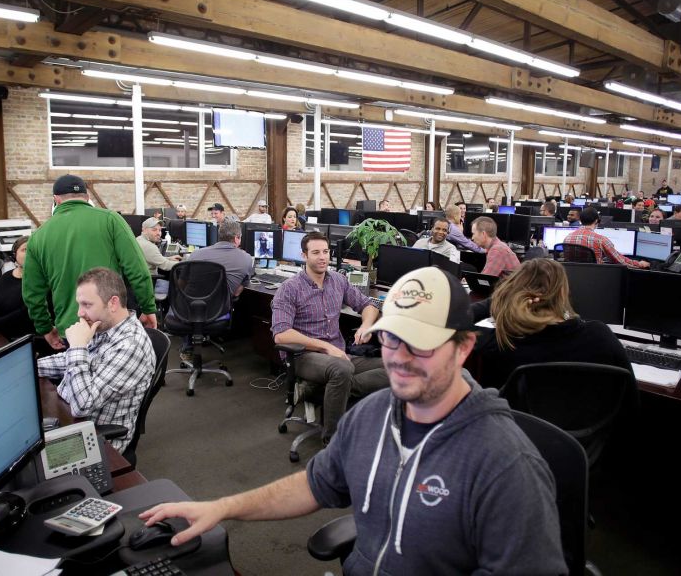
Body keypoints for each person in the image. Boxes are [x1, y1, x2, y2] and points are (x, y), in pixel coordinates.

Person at [139, 266, 565, 574]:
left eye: (421, 344)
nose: (398, 357)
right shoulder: (372, 415)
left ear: (464, 347)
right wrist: (222, 507)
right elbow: (313, 485)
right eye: (391, 338)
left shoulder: (506, 463)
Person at [270, 231, 387, 442]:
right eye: (316, 252)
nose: (323, 257)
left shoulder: (338, 280)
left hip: (338, 354)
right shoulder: (289, 289)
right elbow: (281, 334)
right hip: (304, 356)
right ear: (304, 255)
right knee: (342, 368)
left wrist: (366, 326)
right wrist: (325, 347)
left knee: (395, 366)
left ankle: (319, 391)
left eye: (325, 252)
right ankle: (332, 441)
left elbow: (369, 305)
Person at [23, 174, 157, 350]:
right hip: (111, 323)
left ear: (56, 200)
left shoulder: (38, 237)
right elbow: (137, 270)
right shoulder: (111, 220)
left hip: (72, 330)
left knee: (79, 374)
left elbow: (32, 293)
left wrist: (45, 327)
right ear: (87, 198)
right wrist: (148, 308)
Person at [36, 268, 155, 453]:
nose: (80, 313)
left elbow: (82, 406)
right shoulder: (105, 327)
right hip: (70, 420)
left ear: (113, 303)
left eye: (86, 305)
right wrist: (30, 368)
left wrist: (77, 347)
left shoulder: (130, 346)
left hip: (96, 442)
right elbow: (68, 360)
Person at [474, 258, 633, 388]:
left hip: (521, 426)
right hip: (594, 426)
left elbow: (455, 317)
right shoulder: (599, 335)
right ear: (563, 293)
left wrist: (502, 299)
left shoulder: (500, 339)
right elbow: (630, 397)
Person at [179, 219, 254, 361]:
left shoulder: (196, 255)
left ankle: (187, 348)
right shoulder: (246, 259)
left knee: (192, 299)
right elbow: (236, 293)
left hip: (187, 310)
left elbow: (181, 285)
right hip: (218, 312)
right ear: (237, 238)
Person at [562, 208, 649, 268]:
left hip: (572, 278)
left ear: (580, 220)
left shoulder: (568, 237)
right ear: (596, 220)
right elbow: (619, 261)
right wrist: (639, 264)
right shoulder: (601, 240)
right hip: (595, 277)